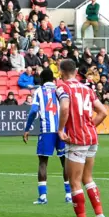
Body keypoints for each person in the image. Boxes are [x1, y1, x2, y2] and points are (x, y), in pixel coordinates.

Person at [56, 59, 108, 217]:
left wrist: (61, 129)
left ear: (61, 71)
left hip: (77, 139)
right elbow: (104, 112)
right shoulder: (87, 88)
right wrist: (90, 126)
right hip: (92, 138)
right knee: (88, 177)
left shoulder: (63, 88)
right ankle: (100, 216)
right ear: (76, 70)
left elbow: (64, 108)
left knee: (74, 181)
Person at [23, 68, 70, 205]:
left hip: (47, 130)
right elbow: (68, 108)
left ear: (42, 80)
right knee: (65, 162)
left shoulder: (38, 91)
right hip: (62, 130)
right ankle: (69, 195)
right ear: (53, 79)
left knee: (43, 162)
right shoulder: (60, 90)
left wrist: (27, 129)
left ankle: (43, 196)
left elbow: (33, 111)